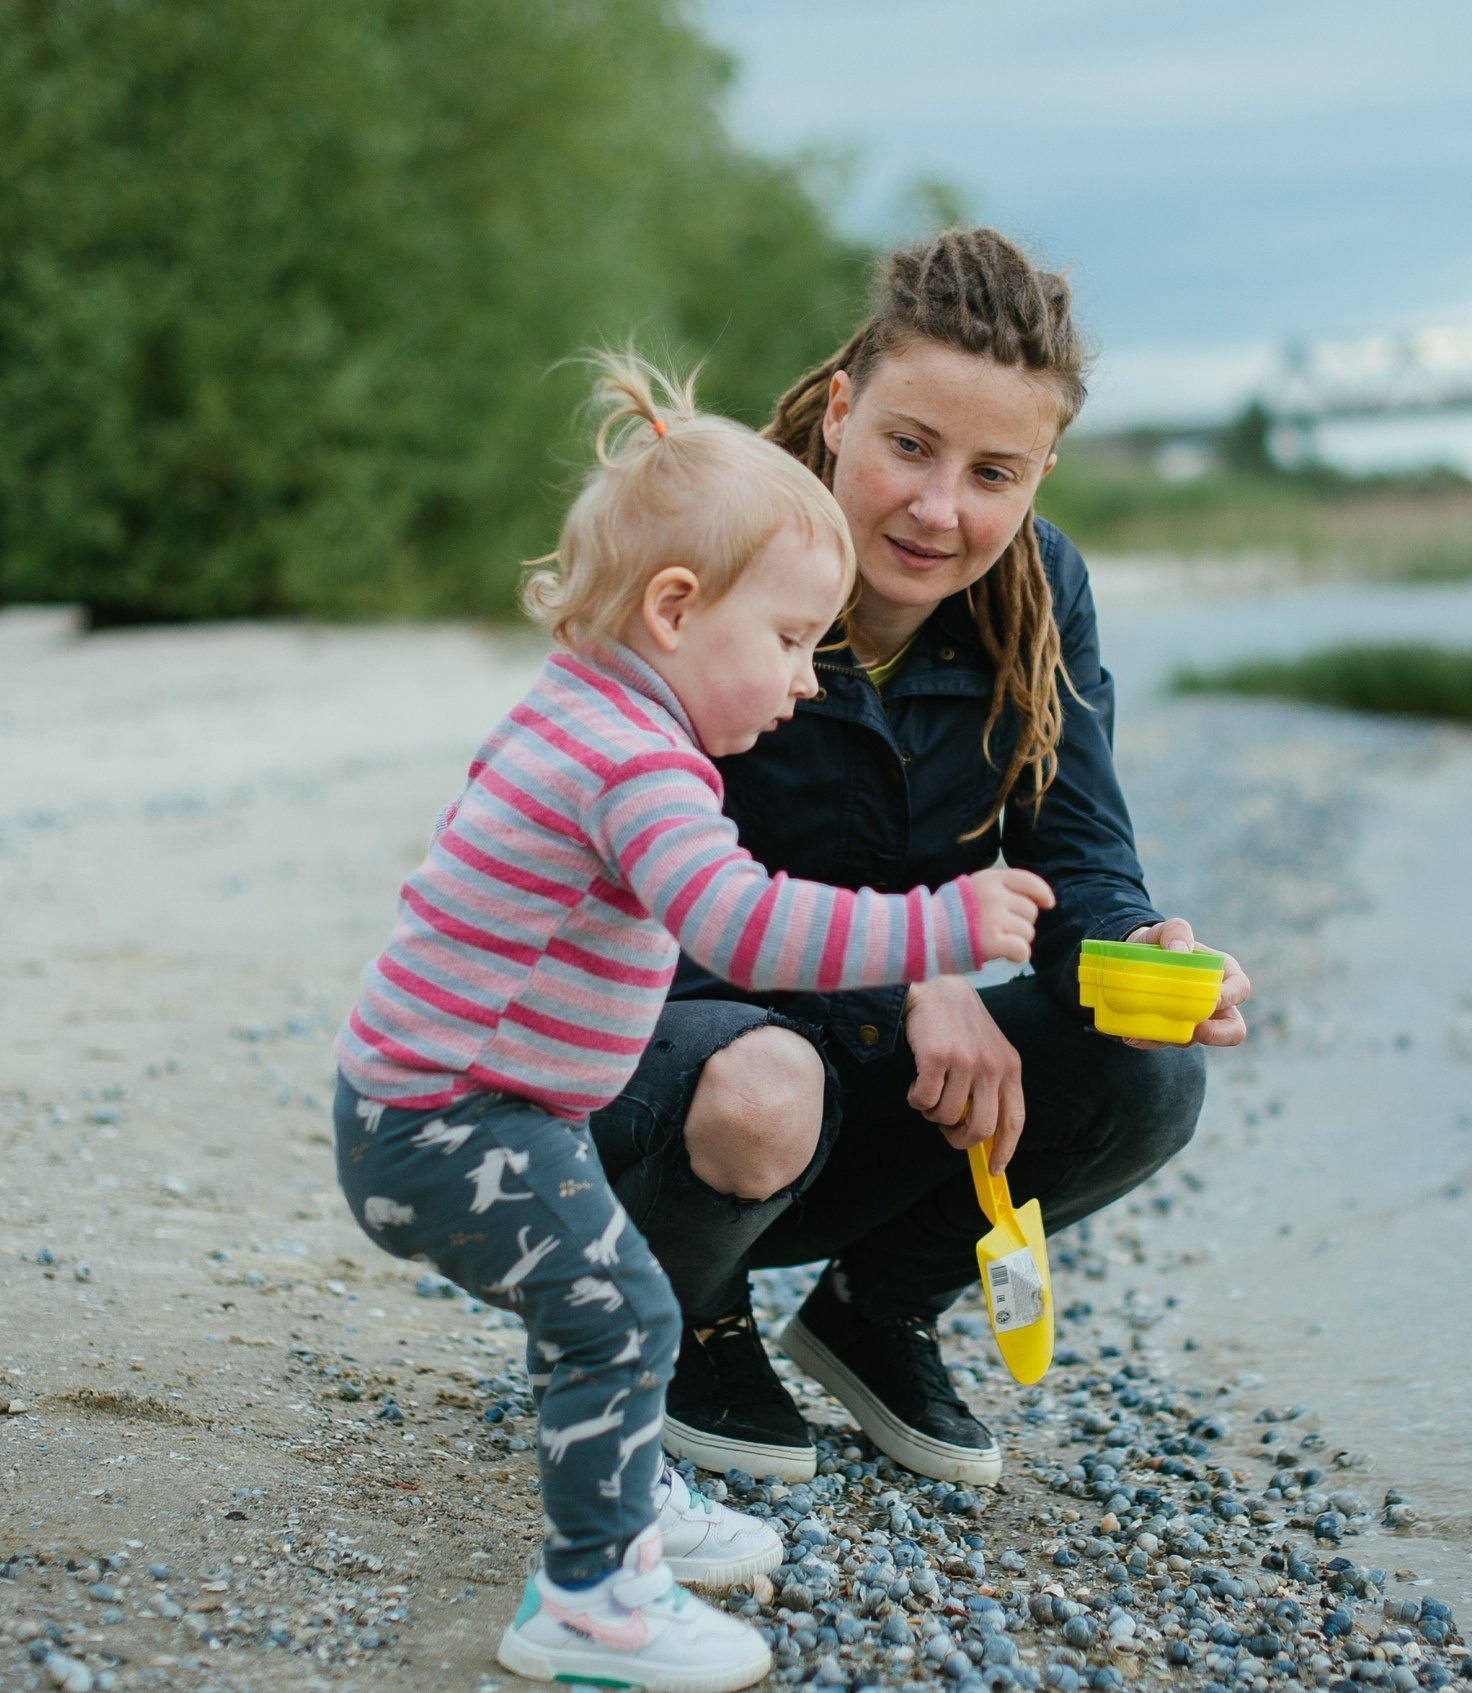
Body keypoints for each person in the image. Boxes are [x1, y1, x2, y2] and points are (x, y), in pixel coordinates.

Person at [328, 354, 1056, 1692]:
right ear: (674, 609)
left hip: (450, 1100)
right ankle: (590, 1606)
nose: (807, 681)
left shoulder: (584, 701)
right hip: (445, 1122)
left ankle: (625, 1494)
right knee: (618, 1312)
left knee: (606, 1295)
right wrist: (938, 928)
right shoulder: (635, 761)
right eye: (786, 642)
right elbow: (743, 925)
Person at [584, 228, 1253, 1489]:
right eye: (908, 445)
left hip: (847, 1078)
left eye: (993, 472)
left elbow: (1077, 856)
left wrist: (1143, 950)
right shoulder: (715, 547)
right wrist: (907, 979)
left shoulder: (1042, 593)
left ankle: (872, 1313)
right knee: (761, 1082)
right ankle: (681, 1316)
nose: (940, 509)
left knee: (1150, 1068)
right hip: (640, 1074)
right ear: (841, 411)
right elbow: (637, 903)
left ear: (1041, 473)